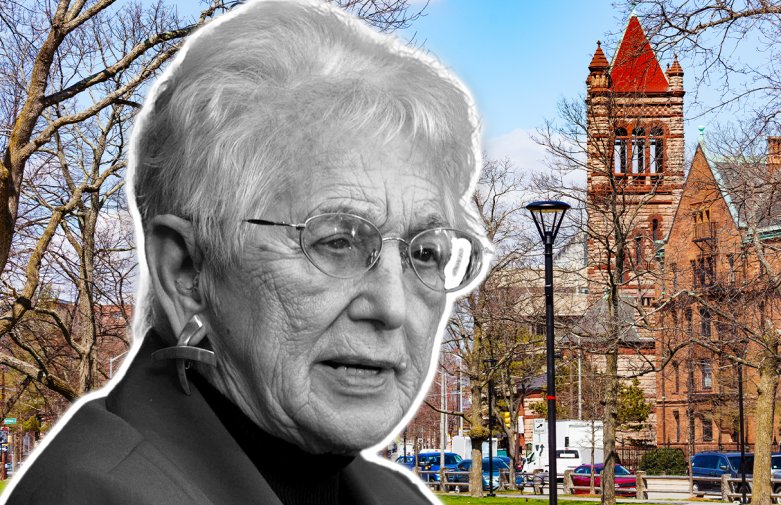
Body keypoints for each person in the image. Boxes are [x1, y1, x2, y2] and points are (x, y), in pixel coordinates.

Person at [2, 0, 487, 503]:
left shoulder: (391, 496)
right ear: (187, 272)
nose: (393, 306)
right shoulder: (95, 494)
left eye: (425, 252)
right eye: (338, 242)